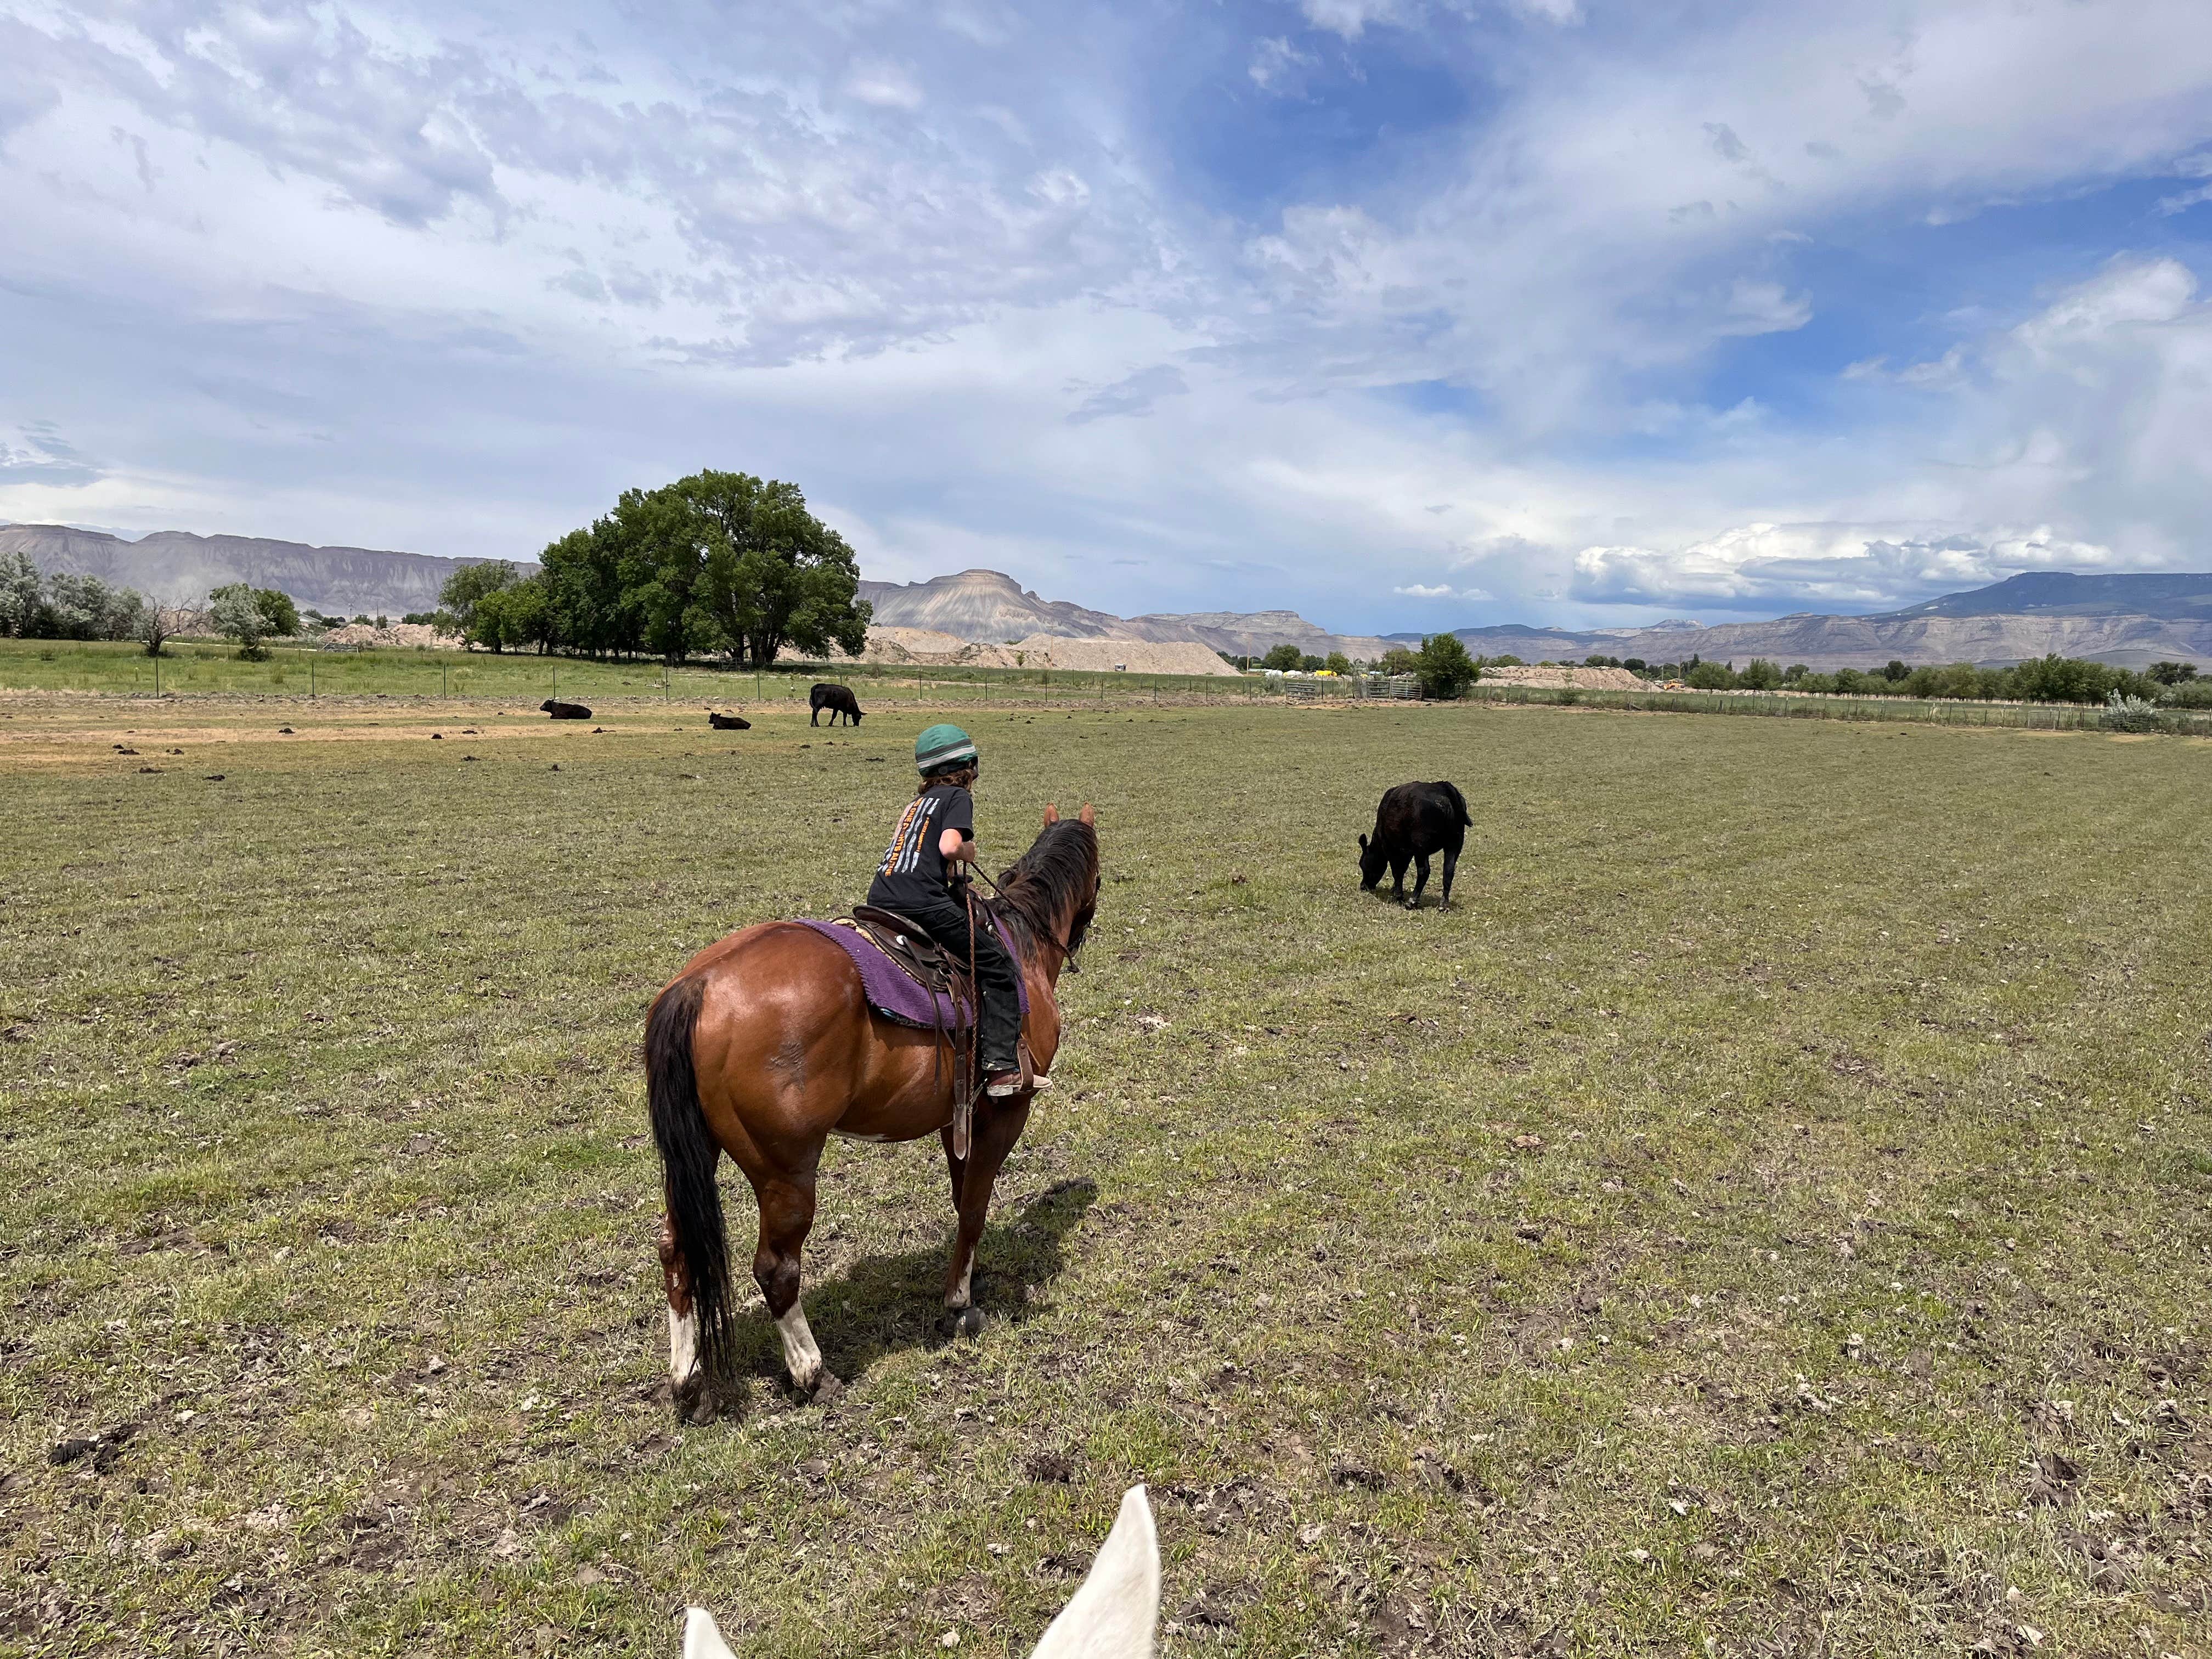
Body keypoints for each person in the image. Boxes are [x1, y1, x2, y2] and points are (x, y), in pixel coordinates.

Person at [866, 723, 1024, 1096]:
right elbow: (950, 847)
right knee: (999, 965)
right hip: (921, 901)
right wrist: (967, 852)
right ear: (968, 767)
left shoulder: (915, 804)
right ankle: (1001, 1068)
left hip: (881, 897)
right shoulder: (957, 798)